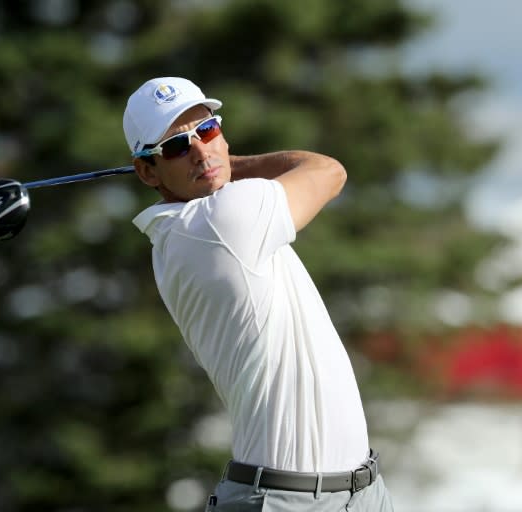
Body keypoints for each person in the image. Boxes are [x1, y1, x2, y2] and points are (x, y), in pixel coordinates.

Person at [124, 77, 394, 511]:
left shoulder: (184, 230)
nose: (200, 150)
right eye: (177, 146)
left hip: (361, 492)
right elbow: (329, 171)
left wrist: (211, 164)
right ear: (146, 171)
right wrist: (230, 162)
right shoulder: (221, 221)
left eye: (207, 131)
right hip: (288, 501)